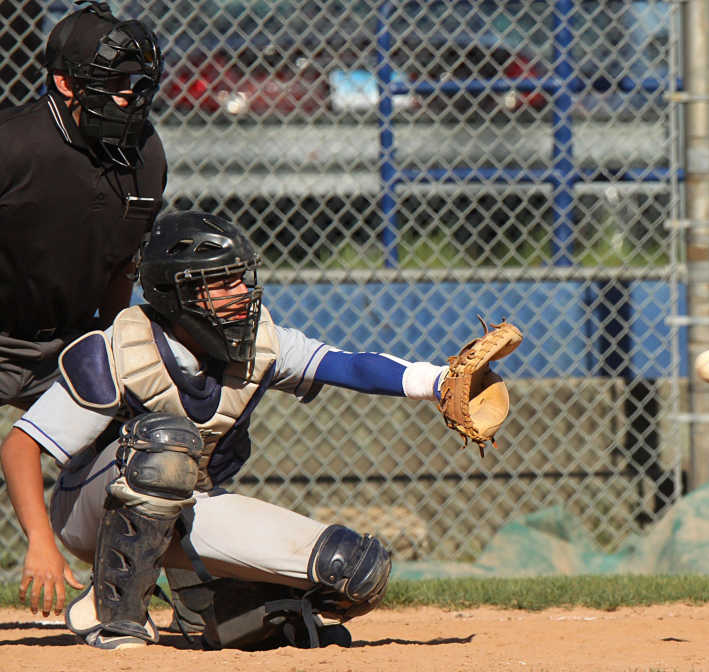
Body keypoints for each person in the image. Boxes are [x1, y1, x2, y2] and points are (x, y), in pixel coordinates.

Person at [0, 210, 474, 651]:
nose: (241, 293)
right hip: (89, 510)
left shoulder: (261, 343)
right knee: (165, 443)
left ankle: (220, 612)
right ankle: (112, 611)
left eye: (241, 279)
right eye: (219, 283)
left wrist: (437, 382)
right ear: (174, 294)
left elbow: (347, 366)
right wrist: (40, 542)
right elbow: (21, 446)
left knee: (354, 569)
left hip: (188, 505)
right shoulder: (118, 351)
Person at [0, 0, 166, 411]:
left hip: (71, 343)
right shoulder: (13, 145)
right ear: (66, 84)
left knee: (156, 448)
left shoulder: (145, 153)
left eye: (139, 82)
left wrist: (110, 349)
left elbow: (122, 264)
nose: (131, 96)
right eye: (115, 82)